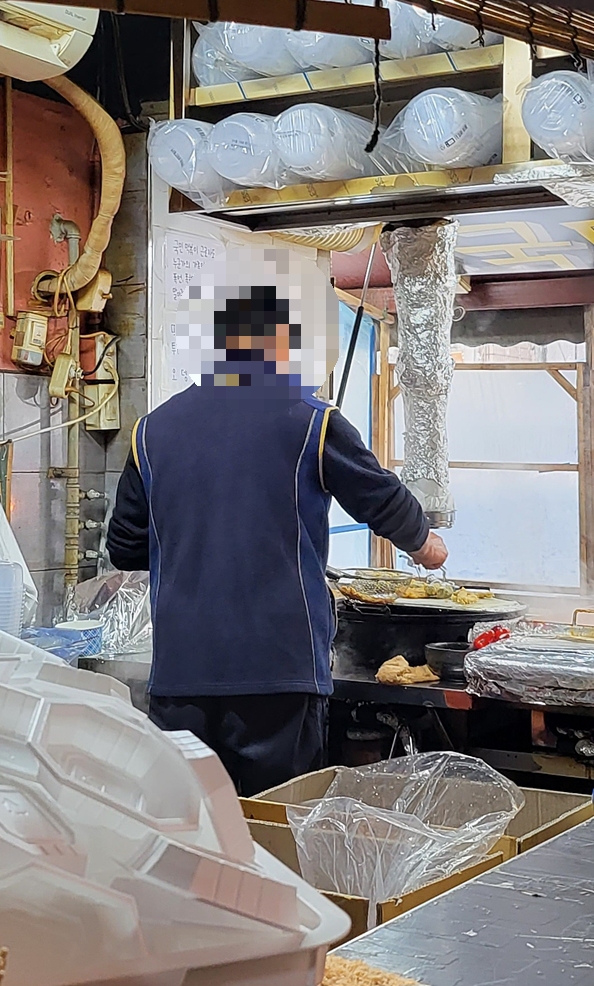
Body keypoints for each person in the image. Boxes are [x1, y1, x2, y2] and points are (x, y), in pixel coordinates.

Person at [106, 285, 447, 795]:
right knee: (276, 818)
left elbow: (125, 548)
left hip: (181, 674)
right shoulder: (312, 420)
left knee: (192, 822)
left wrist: (196, 545)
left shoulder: (150, 430)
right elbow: (379, 495)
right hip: (279, 673)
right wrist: (424, 544)